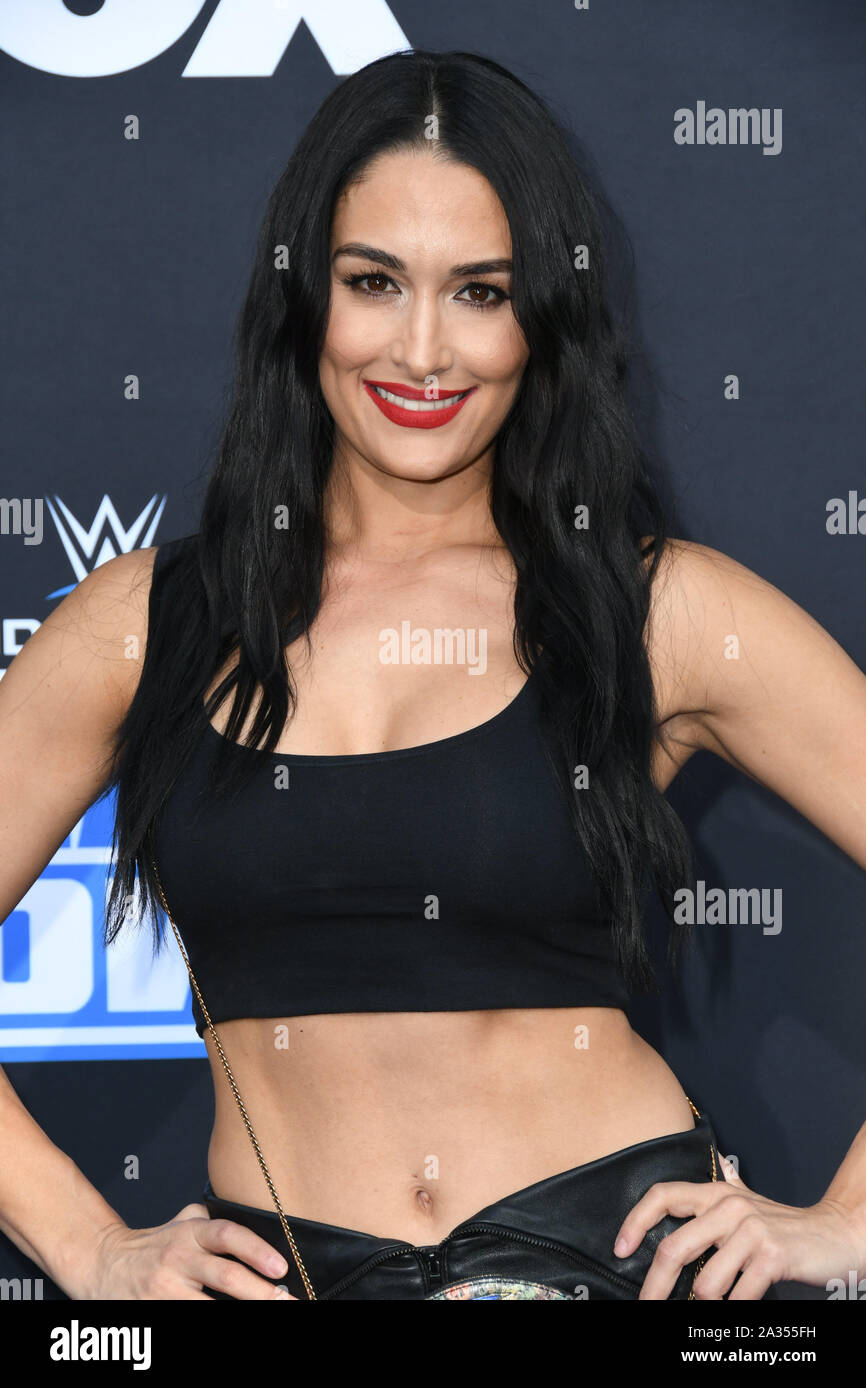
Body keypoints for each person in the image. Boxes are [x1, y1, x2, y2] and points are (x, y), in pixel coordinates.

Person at [1, 48, 864, 1302]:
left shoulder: (656, 609)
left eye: (479, 292)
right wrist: (86, 1245)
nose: (420, 349)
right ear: (306, 297)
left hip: (608, 1264)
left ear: (542, 319)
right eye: (373, 283)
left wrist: (844, 1225)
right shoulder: (144, 623)